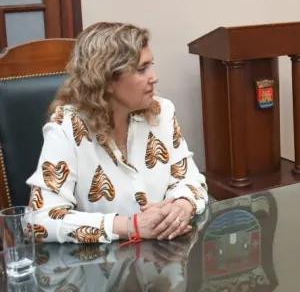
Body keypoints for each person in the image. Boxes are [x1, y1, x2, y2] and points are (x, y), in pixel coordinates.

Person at [26, 22, 208, 243]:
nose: (154, 77)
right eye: (142, 69)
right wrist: (130, 226)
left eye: (152, 65)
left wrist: (182, 205)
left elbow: (191, 179)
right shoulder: (68, 127)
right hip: (100, 267)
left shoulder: (162, 112)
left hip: (163, 260)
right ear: (108, 79)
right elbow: (39, 220)